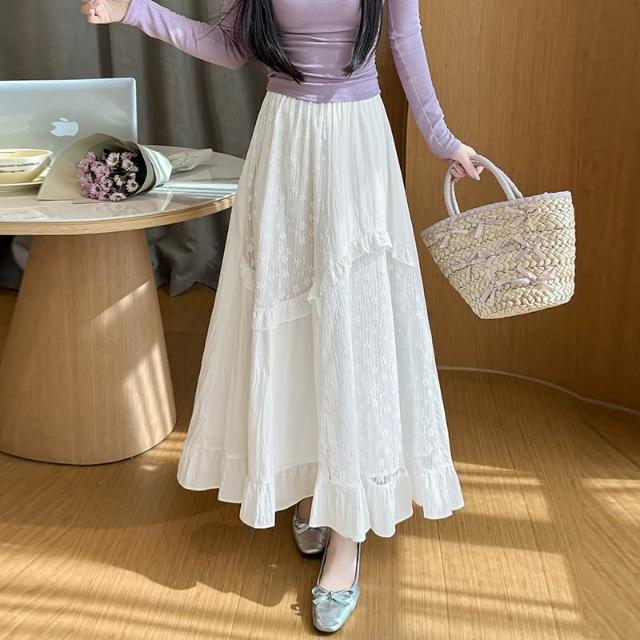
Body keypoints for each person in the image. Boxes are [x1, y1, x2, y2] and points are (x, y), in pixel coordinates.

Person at [82, 0, 482, 632]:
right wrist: (135, 10)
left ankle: (346, 536)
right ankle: (307, 482)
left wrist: (444, 141)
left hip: (356, 146)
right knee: (293, 326)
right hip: (285, 142)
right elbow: (228, 46)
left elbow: (406, 42)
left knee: (351, 331)